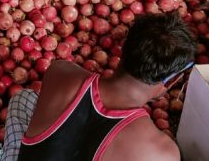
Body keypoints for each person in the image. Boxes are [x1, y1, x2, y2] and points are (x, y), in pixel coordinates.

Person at [11, 12, 195, 161]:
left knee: (23, 97)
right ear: (171, 81)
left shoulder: (61, 73)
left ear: (122, 49)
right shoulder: (162, 153)